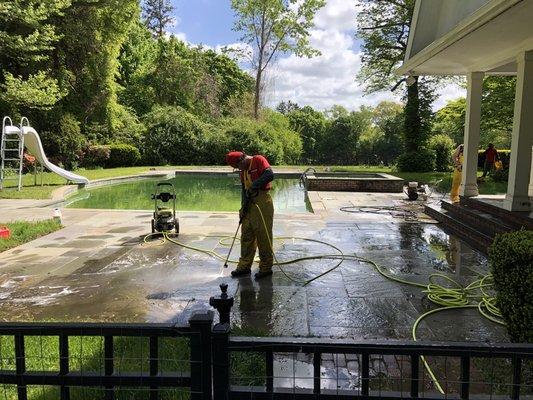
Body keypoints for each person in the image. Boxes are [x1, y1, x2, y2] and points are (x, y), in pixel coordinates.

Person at [225, 151, 275, 280]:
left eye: (238, 166)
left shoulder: (258, 160)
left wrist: (254, 185)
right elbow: (244, 190)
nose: (239, 170)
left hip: (262, 201)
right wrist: (243, 208)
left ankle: (265, 267)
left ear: (242, 159)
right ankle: (244, 266)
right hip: (250, 203)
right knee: (246, 234)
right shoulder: (243, 171)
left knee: (263, 235)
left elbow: (269, 174)